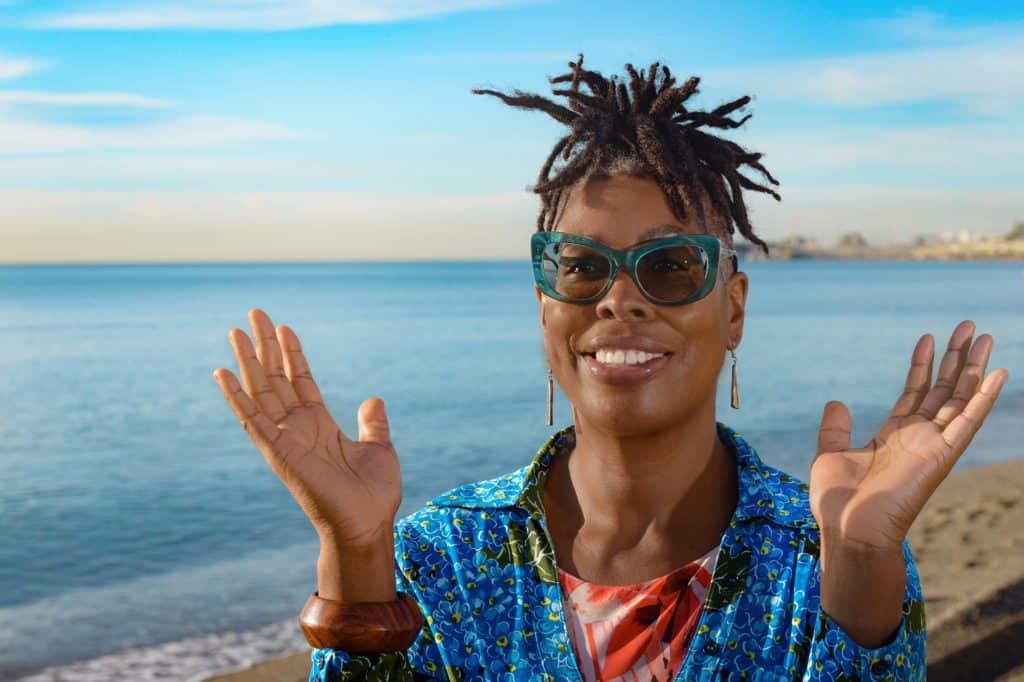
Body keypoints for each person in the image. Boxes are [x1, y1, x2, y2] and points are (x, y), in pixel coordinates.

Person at [212, 56, 1008, 681]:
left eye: (667, 266)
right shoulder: (438, 559)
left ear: (733, 309)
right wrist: (353, 549)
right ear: (543, 305)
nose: (619, 300)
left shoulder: (826, 551)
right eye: (582, 267)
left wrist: (864, 565)